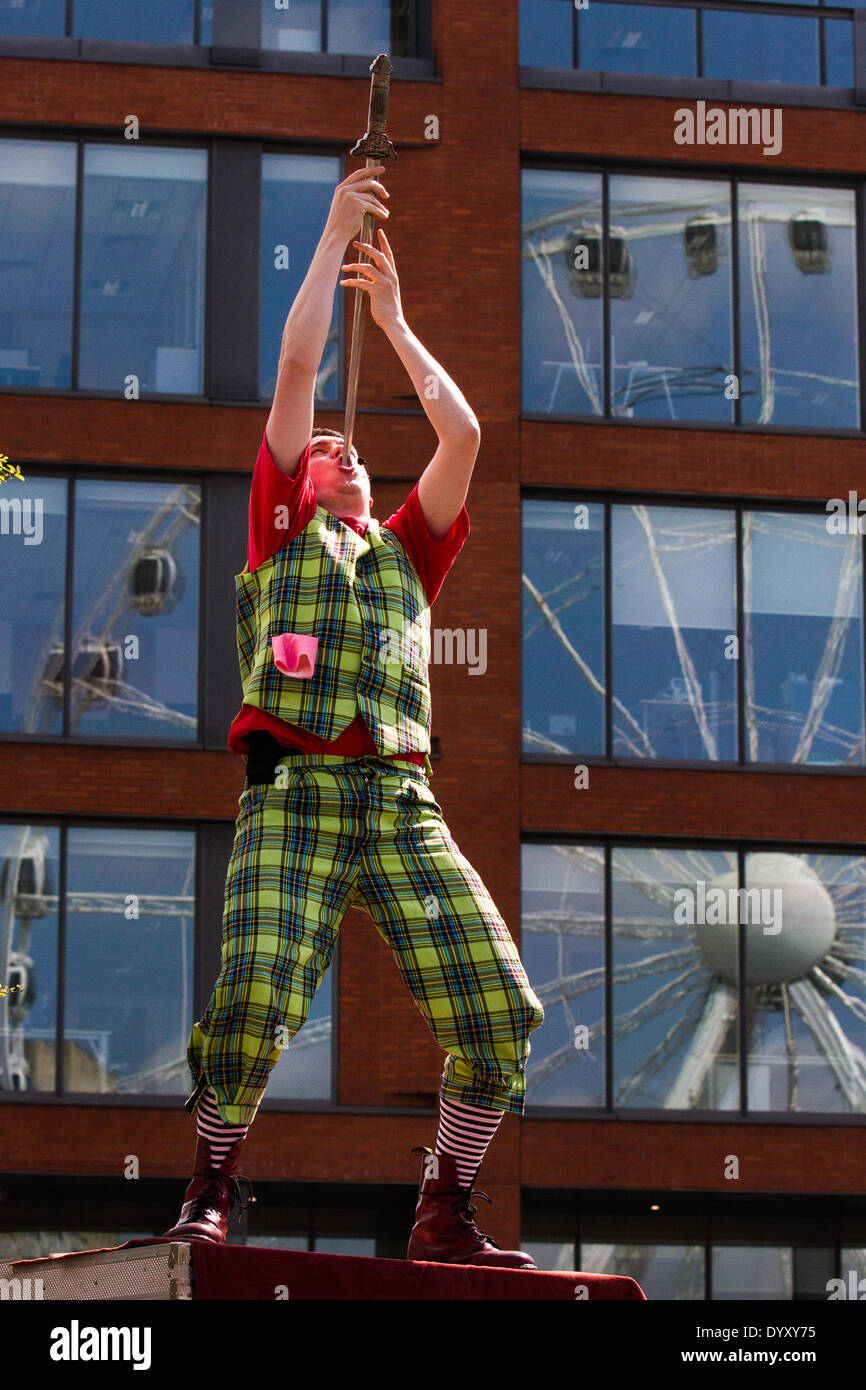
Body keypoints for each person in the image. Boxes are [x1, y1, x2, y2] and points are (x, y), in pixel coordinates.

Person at [163, 166, 544, 1268]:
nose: (334, 449)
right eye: (318, 449)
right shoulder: (280, 528)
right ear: (295, 478)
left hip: (399, 795)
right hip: (297, 791)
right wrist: (331, 236)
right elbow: (292, 366)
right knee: (254, 994)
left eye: (349, 450)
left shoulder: (404, 552)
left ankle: (444, 1203)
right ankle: (213, 1181)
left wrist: (395, 318)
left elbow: (461, 433)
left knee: (498, 1009)